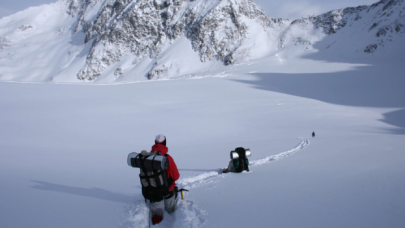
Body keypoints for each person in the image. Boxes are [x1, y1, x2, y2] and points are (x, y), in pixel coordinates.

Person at [149, 134, 180, 225]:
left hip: (153, 190)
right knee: (170, 210)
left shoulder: (148, 157)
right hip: (167, 190)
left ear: (155, 143)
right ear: (165, 143)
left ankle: (156, 222)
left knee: (156, 214)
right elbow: (176, 177)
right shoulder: (168, 158)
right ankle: (170, 219)